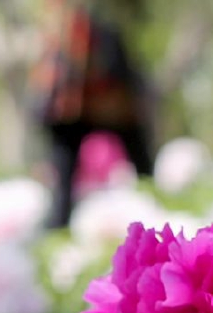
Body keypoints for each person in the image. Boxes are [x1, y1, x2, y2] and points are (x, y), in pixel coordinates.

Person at [34, 0, 153, 230]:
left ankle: (156, 209)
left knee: (143, 170)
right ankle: (57, 228)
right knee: (62, 187)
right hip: (68, 111)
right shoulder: (54, 38)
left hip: (109, 103)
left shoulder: (103, 32)